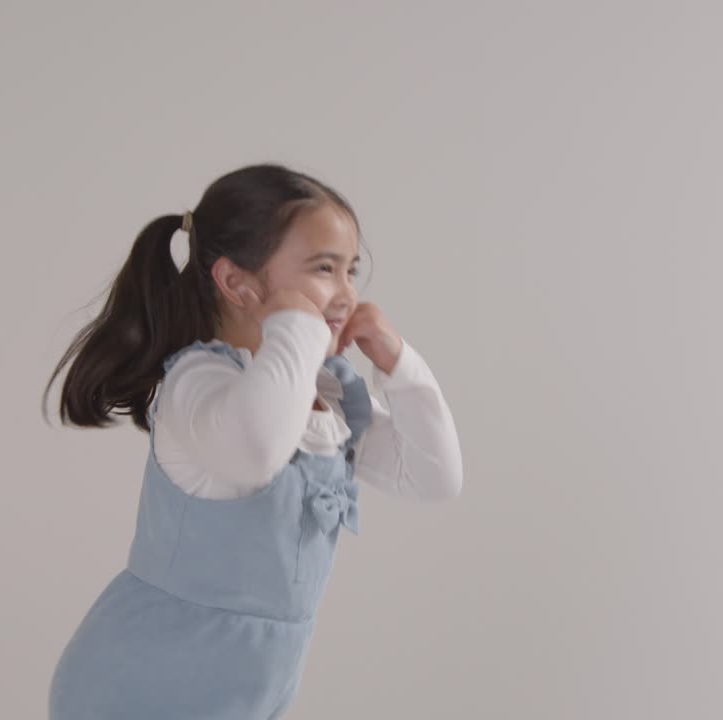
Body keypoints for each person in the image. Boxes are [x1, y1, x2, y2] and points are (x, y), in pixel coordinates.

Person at [43, 163, 464, 719]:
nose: (346, 294)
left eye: (351, 271)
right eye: (324, 268)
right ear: (237, 282)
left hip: (249, 691)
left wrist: (398, 363)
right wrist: (301, 328)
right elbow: (257, 452)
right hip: (143, 685)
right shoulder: (199, 382)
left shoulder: (325, 395)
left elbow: (434, 477)